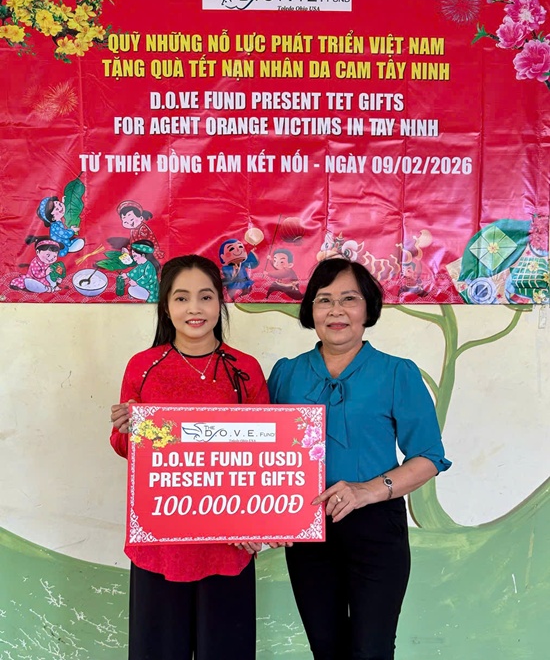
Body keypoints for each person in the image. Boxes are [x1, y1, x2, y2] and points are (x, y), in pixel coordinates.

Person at [267, 257, 451, 660]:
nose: (336, 310)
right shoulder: (286, 374)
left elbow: (429, 457)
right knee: (326, 648)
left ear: (368, 308)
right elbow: (258, 447)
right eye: (324, 300)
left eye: (349, 299)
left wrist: (368, 490)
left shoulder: (398, 373)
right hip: (306, 527)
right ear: (310, 310)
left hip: (376, 527)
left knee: (372, 650)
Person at [110, 254, 269, 660]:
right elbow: (127, 449)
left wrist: (261, 522)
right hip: (159, 543)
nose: (194, 309)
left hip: (229, 544)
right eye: (181, 298)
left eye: (205, 297)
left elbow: (264, 454)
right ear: (166, 306)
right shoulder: (143, 367)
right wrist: (128, 430)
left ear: (220, 302)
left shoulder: (245, 369)